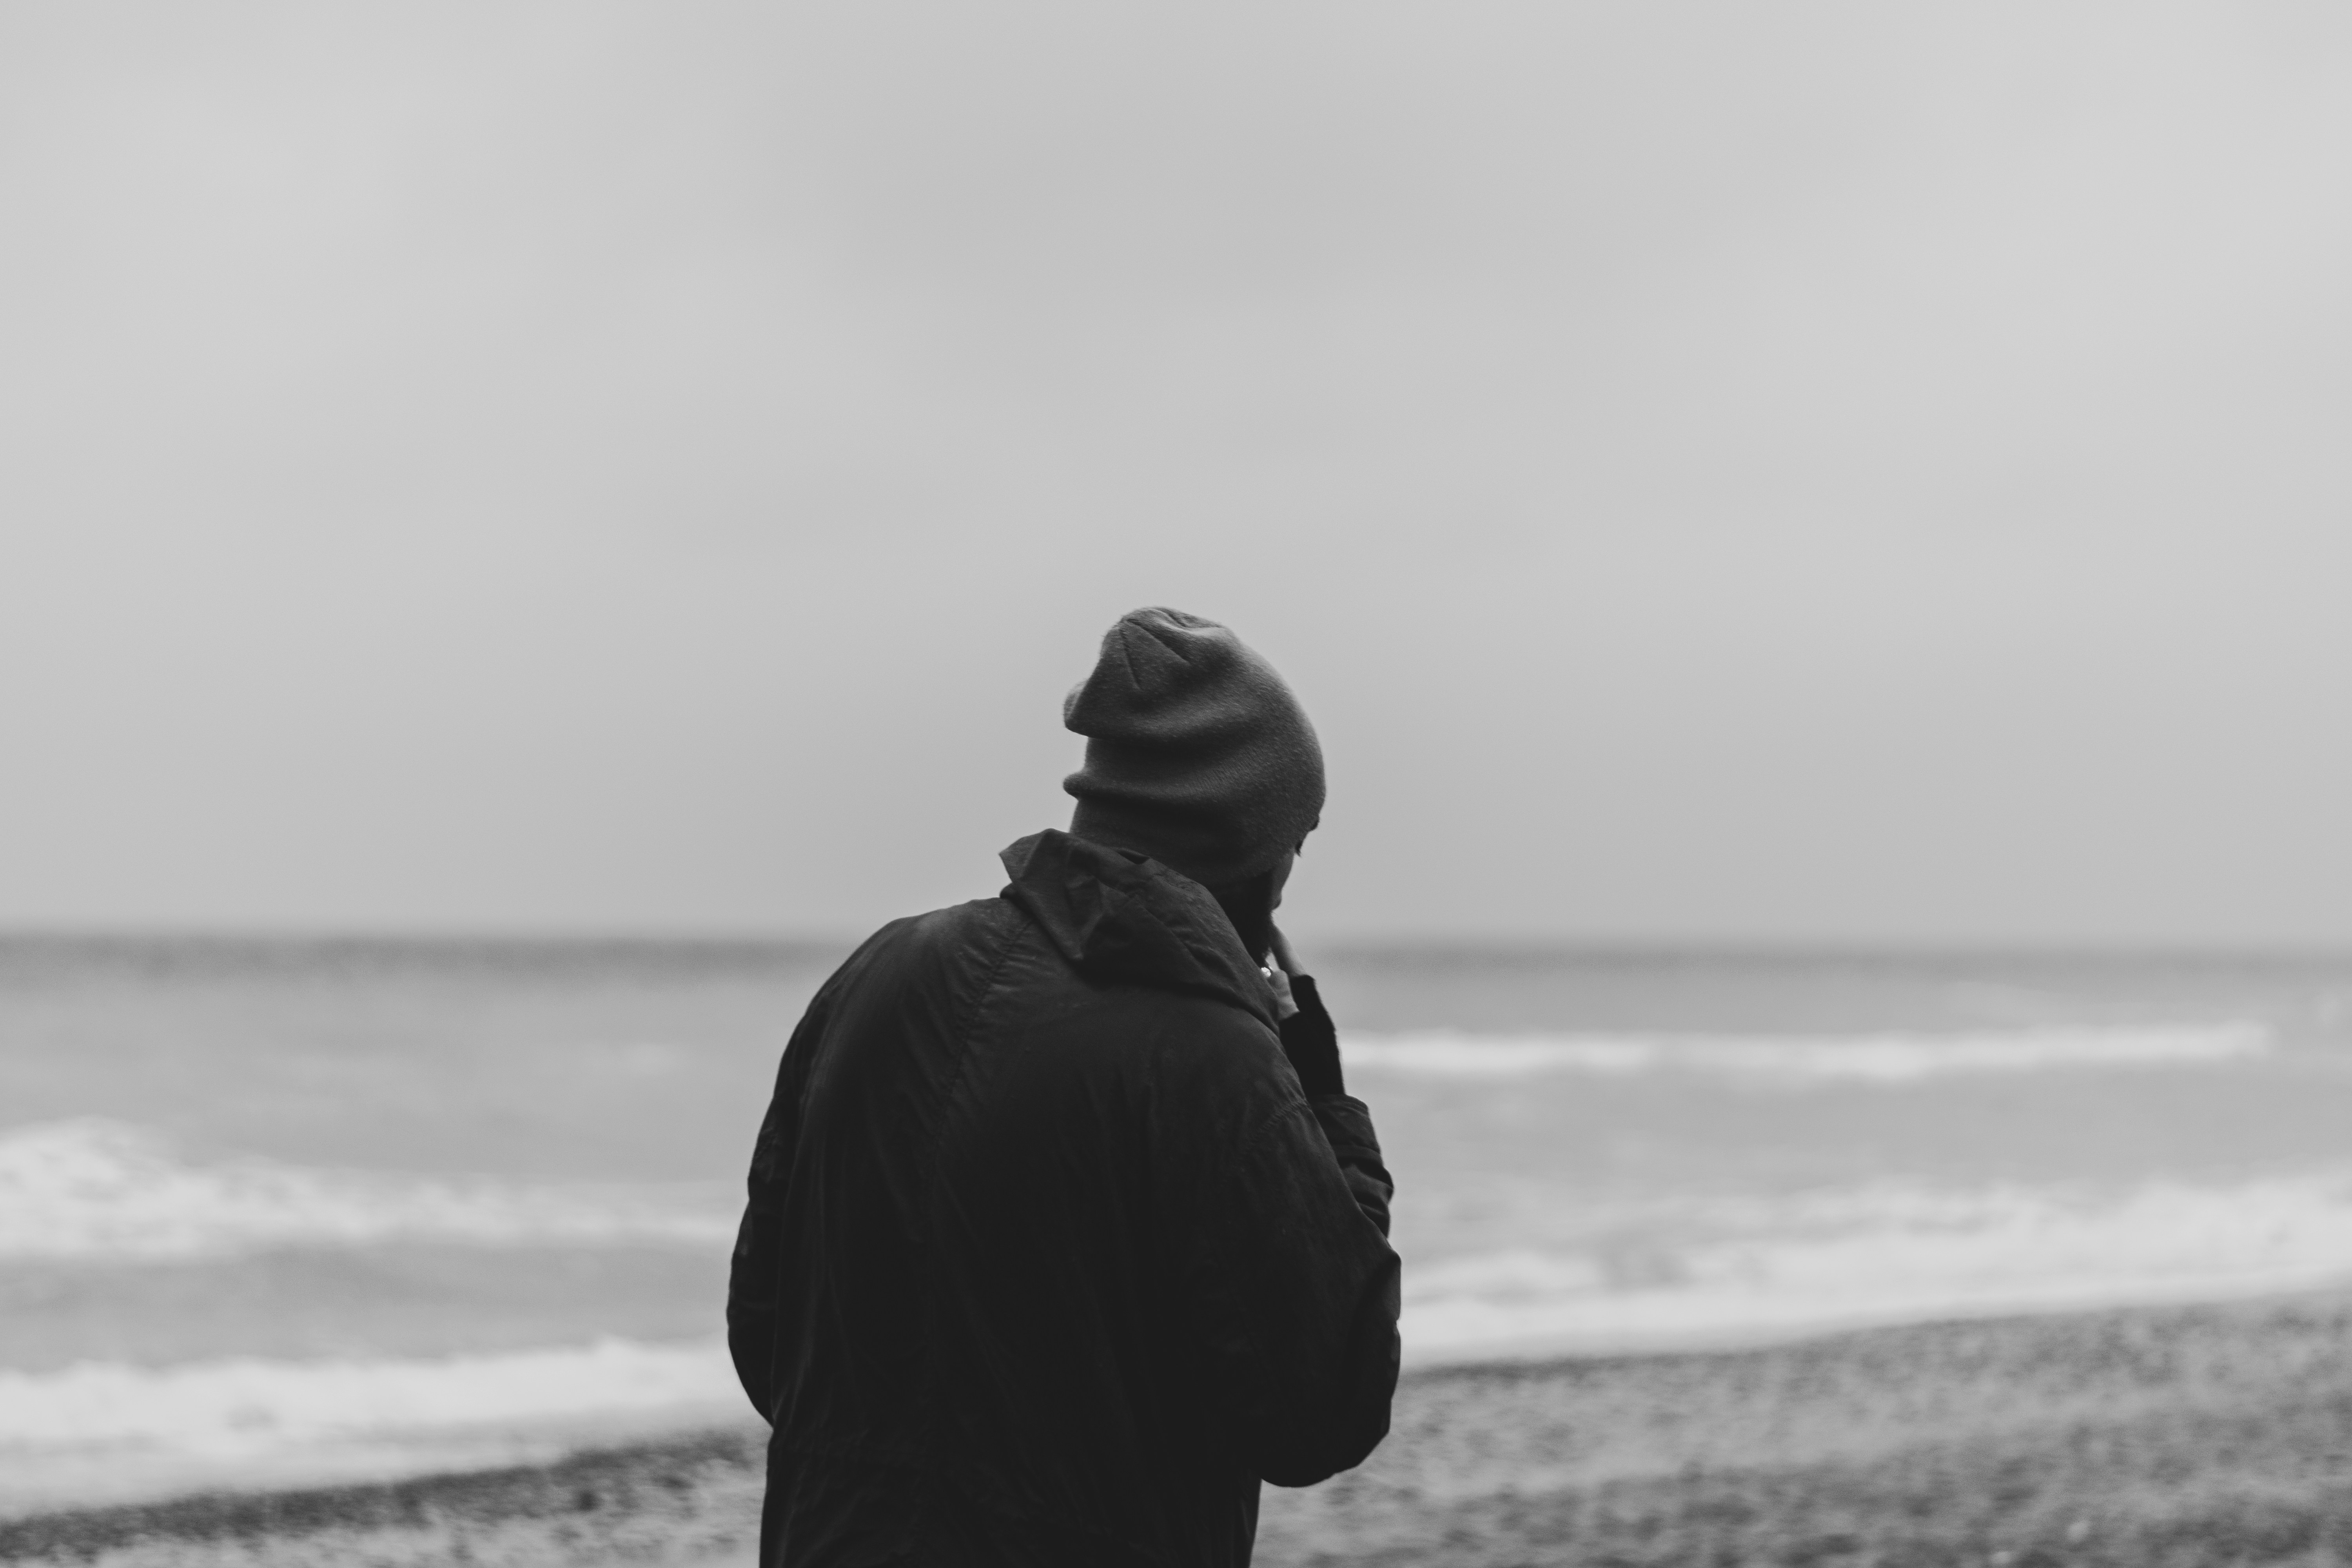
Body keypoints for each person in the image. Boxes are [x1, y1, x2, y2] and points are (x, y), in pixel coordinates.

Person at [726, 607, 1400, 1567]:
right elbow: (1325, 1409)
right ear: (1245, 842)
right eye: (1296, 839)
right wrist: (1324, 1101)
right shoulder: (1218, 1060)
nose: (1291, 879)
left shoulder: (879, 973)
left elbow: (769, 1337)